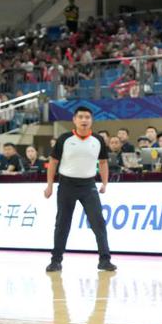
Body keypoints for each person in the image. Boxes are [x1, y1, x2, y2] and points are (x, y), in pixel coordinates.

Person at [44, 106, 116, 273]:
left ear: (91, 120)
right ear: (74, 120)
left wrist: (104, 183)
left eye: (87, 117)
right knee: (62, 224)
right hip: (66, 185)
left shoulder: (98, 140)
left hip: (88, 186)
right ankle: (56, 261)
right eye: (81, 117)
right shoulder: (64, 139)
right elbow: (53, 162)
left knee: (98, 222)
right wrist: (49, 185)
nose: (84, 120)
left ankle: (105, 260)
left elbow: (103, 162)